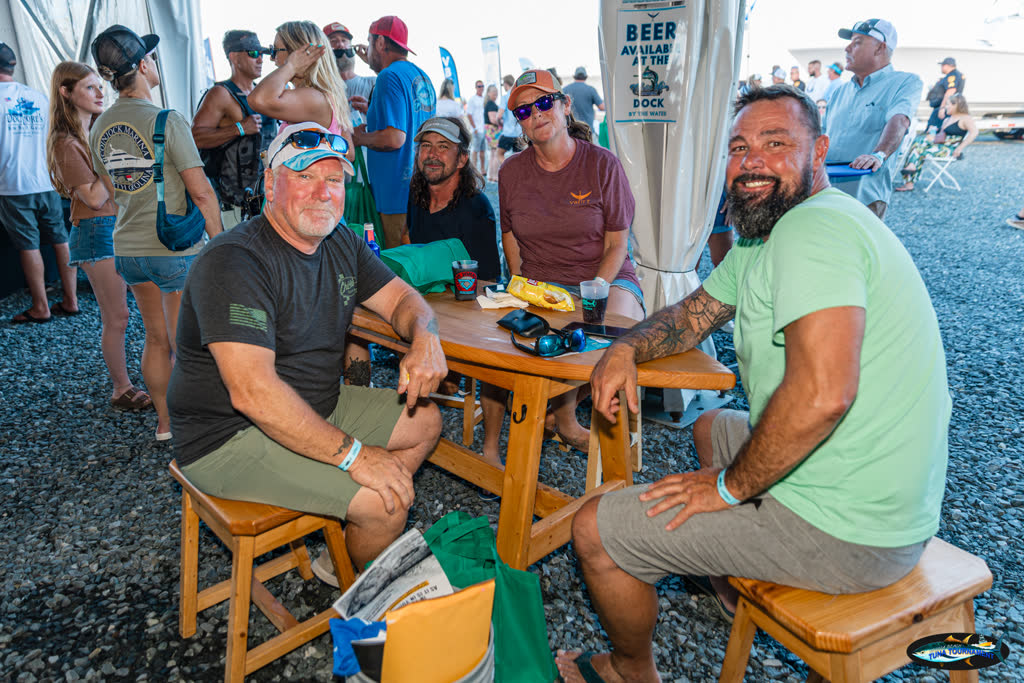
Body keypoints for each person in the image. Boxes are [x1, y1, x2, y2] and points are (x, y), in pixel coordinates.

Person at [557, 84, 951, 683]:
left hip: (853, 530)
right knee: (713, 426)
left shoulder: (812, 232)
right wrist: (626, 346)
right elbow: (692, 316)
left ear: (819, 151)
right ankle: (732, 585)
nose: (751, 161)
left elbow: (823, 395)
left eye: (775, 143)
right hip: (886, 490)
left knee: (594, 530)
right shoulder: (768, 235)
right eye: (739, 147)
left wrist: (729, 488)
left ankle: (630, 669)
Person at [167, 121, 445, 583]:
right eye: (304, 176)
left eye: (334, 179)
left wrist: (426, 337)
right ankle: (362, 584)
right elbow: (254, 394)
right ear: (270, 183)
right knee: (385, 503)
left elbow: (402, 299)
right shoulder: (234, 260)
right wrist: (357, 458)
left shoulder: (340, 241)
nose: (322, 192)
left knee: (426, 421)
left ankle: (341, 556)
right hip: (228, 437)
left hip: (315, 405)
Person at [499, 69, 645, 452]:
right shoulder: (511, 172)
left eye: (544, 102)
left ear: (565, 105)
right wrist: (519, 284)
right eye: (524, 110)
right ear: (520, 124)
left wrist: (593, 292)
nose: (536, 113)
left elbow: (617, 243)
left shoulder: (602, 164)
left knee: (612, 332)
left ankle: (559, 412)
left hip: (604, 277)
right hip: (543, 284)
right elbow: (509, 235)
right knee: (529, 339)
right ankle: (562, 417)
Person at [89, 25, 223, 441]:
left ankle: (165, 424)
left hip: (128, 247)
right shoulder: (166, 120)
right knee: (189, 346)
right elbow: (201, 192)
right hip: (174, 248)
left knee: (155, 338)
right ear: (144, 65)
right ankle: (196, 428)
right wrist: (221, 246)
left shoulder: (99, 126)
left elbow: (114, 192)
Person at [46, 61, 150, 409]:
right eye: (89, 87)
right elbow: (92, 197)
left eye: (99, 86)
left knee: (140, 312)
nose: (99, 93)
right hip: (96, 229)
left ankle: (158, 374)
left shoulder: (96, 131)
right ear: (66, 92)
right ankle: (121, 388)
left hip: (119, 224)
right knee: (117, 316)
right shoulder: (65, 142)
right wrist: (116, 163)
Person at [407, 116, 504, 466]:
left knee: (495, 360)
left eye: (443, 147)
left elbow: (489, 279)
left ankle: (490, 449)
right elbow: (411, 245)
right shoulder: (417, 193)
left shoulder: (476, 207)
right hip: (428, 302)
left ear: (462, 158)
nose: (431, 154)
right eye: (426, 146)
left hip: (470, 306)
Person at [0, 42, 79, 323]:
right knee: (60, 239)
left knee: (28, 245)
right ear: (13, 66)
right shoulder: (38, 97)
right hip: (45, 180)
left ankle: (41, 308)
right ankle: (71, 300)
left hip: (13, 184)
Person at [352, 15, 436, 251]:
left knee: (397, 263)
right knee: (418, 260)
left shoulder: (388, 77)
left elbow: (394, 137)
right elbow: (410, 121)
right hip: (422, 188)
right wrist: (372, 110)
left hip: (395, 193)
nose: (367, 50)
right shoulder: (421, 76)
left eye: (370, 43)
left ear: (380, 42)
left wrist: (358, 138)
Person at [825, 18, 922, 218]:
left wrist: (878, 155)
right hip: (825, 196)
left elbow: (899, 120)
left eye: (857, 42)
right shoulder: (839, 92)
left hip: (863, 199)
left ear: (880, 48)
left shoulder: (904, 82)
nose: (847, 48)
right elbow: (822, 136)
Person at [191, 30, 277, 229]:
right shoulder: (221, 94)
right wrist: (238, 128)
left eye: (262, 53)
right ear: (234, 58)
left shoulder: (263, 93)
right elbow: (194, 138)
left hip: (267, 200)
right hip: (235, 206)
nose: (260, 59)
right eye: (253, 53)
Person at [249, 21, 353, 156]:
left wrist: (291, 66)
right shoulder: (324, 95)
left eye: (275, 51)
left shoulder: (313, 98)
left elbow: (258, 99)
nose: (272, 59)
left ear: (297, 53)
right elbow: (350, 153)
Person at [895, 93, 977, 192]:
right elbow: (940, 136)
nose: (946, 107)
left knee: (919, 150)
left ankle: (909, 179)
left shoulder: (965, 119)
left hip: (950, 149)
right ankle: (910, 171)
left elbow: (974, 133)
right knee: (918, 143)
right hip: (939, 145)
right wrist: (932, 132)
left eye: (948, 104)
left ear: (956, 105)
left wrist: (960, 148)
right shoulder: (947, 119)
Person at [322, 21, 376, 127]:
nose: (341, 45)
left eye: (344, 40)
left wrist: (373, 63)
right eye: (333, 41)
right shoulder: (321, 88)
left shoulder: (374, 83)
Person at [925, 57, 965, 132]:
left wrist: (942, 108)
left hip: (945, 108)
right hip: (946, 107)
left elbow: (950, 91)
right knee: (937, 130)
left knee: (933, 130)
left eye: (943, 65)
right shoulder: (954, 75)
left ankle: (932, 138)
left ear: (948, 65)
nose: (941, 67)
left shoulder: (953, 75)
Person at [563, 66, 605, 135]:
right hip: (587, 131)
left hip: (570, 132)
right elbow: (602, 107)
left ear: (574, 76)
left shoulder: (565, 89)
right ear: (586, 77)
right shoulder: (591, 90)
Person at [494, 74, 521, 170]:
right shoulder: (518, 96)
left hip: (508, 132)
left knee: (499, 154)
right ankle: (518, 173)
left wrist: (499, 123)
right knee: (518, 156)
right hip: (519, 133)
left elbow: (499, 116)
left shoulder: (505, 97)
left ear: (505, 84)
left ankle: (509, 170)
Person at [466, 79, 487, 172]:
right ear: (475, 87)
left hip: (484, 129)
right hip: (477, 129)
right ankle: (474, 169)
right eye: (479, 86)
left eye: (482, 86)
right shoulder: (472, 99)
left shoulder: (484, 99)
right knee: (475, 150)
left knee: (483, 150)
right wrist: (474, 128)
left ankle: (482, 169)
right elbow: (469, 114)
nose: (481, 88)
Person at [483, 84, 501, 182]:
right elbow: (493, 119)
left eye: (496, 92)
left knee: (493, 153)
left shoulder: (489, 103)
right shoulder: (491, 104)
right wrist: (502, 122)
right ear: (488, 93)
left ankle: (491, 175)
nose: (495, 93)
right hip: (493, 130)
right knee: (496, 153)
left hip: (490, 131)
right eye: (493, 92)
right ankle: (494, 176)